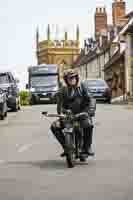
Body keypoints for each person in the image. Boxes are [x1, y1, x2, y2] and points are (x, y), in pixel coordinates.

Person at [51, 69, 95, 158]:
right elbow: (60, 105)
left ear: (77, 78)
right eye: (69, 78)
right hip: (68, 116)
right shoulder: (63, 90)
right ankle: (66, 147)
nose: (72, 79)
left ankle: (86, 148)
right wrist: (61, 113)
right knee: (54, 126)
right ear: (66, 80)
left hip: (82, 114)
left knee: (88, 125)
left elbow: (91, 99)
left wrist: (90, 111)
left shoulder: (82, 87)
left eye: (73, 77)